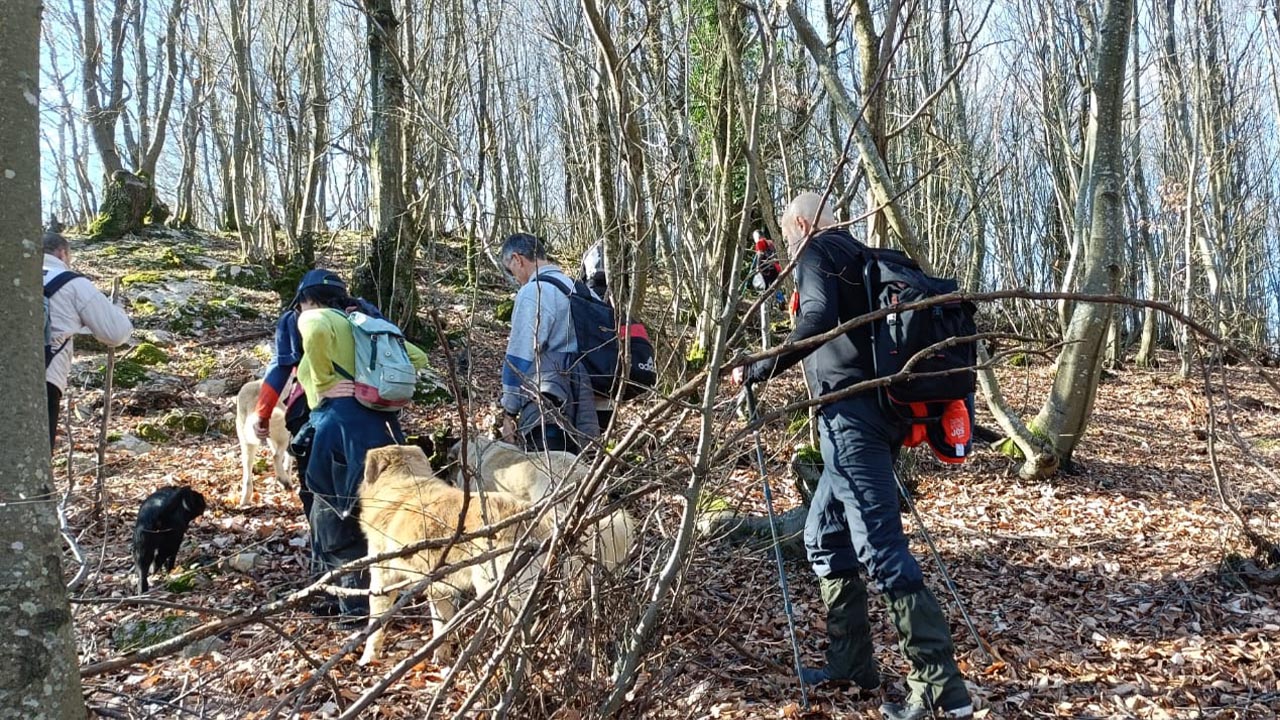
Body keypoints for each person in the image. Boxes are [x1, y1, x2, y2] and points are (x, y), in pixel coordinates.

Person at [732, 192, 973, 720]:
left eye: (788, 231)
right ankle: (853, 663)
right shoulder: (862, 257)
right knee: (823, 533)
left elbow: (816, 318)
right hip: (880, 417)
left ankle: (941, 687)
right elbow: (819, 312)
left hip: (852, 421)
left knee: (880, 548)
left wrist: (759, 367)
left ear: (800, 223)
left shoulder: (818, 253)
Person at [292, 272, 430, 619]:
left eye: (300, 305)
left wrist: (325, 382)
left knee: (335, 517)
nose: (300, 312)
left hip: (340, 431)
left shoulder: (321, 317)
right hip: (382, 428)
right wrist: (370, 385)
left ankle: (352, 610)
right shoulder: (366, 325)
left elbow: (313, 327)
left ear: (310, 298)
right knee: (378, 515)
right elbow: (417, 357)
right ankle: (365, 599)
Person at [499, 233, 600, 454]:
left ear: (518, 259)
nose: (515, 278)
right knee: (587, 476)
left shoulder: (533, 292)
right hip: (593, 403)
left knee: (548, 478)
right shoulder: (583, 290)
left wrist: (509, 410)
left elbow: (520, 357)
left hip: (551, 403)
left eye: (510, 270)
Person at [43, 231, 133, 451]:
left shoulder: (11, 278)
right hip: (45, 380)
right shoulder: (70, 283)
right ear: (63, 253)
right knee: (36, 458)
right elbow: (115, 333)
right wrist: (117, 310)